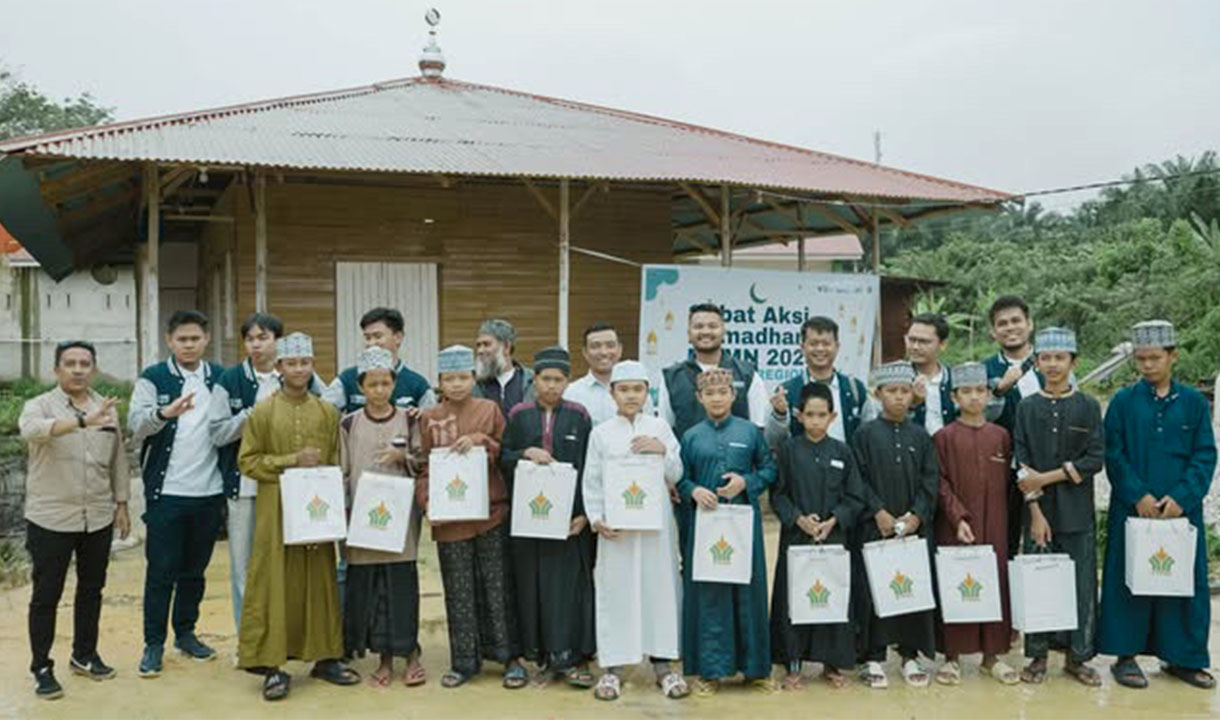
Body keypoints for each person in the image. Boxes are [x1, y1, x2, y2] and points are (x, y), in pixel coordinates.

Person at [236, 332, 359, 700]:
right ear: (279, 368)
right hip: (276, 509)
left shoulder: (327, 412)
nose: (300, 369)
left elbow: (339, 462)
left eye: (305, 363)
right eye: (292, 363)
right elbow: (248, 462)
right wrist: (290, 461)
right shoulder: (263, 411)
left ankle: (325, 657)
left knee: (319, 577)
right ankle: (273, 665)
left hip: (317, 510)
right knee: (275, 581)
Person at [1099, 320, 1217, 690]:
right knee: (1129, 579)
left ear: (1172, 356)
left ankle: (1183, 658)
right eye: (1141, 359)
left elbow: (1205, 454)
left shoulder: (1195, 403)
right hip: (1133, 509)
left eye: (1155, 358)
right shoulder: (1122, 401)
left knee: (1183, 582)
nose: (1148, 365)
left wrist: (1182, 497)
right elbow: (1113, 453)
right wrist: (1138, 495)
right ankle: (1126, 655)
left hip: (1181, 512)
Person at [19, 341, 131, 700]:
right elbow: (32, 430)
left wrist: (122, 504)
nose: (78, 369)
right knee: (46, 595)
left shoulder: (106, 408)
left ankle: (84, 654)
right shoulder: (39, 406)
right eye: (70, 363)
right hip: (50, 516)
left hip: (96, 516)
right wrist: (82, 421)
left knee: (91, 590)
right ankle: (41, 667)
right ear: (57, 370)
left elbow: (118, 460)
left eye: (85, 363)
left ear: (94, 369)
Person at [417, 345, 526, 689]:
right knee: (458, 590)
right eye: (450, 379)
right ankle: (464, 662)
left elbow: (504, 452)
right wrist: (427, 502)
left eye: (463, 377)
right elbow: (422, 467)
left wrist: (481, 441)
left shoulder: (489, 410)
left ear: (473, 377)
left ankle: (510, 658)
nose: (457, 385)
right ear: (440, 382)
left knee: (498, 587)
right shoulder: (429, 417)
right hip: (450, 521)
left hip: (490, 513)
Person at [583, 360, 689, 702]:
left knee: (660, 590)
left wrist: (661, 451)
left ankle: (664, 666)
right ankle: (612, 669)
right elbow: (593, 480)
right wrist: (597, 517)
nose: (631, 395)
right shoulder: (601, 433)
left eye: (637, 389)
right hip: (619, 532)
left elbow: (676, 473)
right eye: (624, 389)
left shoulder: (660, 428)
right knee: (616, 591)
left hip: (656, 530)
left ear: (647, 393)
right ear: (612, 393)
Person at [128, 310, 226, 677]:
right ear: (169, 341)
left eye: (195, 338)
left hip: (209, 492)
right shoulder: (154, 378)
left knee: (195, 571)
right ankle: (153, 644)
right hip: (167, 493)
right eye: (181, 339)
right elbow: (136, 425)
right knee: (161, 572)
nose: (188, 345)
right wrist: (165, 413)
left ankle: (186, 634)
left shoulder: (219, 377)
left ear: (206, 339)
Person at [1012, 327, 1103, 687]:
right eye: (1045, 358)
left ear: (1072, 362)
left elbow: (1094, 458)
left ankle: (1078, 658)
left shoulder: (1088, 406)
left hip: (1077, 513)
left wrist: (1044, 478)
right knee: (1039, 583)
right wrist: (1035, 510)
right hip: (1038, 515)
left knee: (1081, 585)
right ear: (1036, 363)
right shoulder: (1027, 407)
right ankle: (1037, 656)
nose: (1052, 365)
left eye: (1059, 358)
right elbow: (1021, 461)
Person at [501, 346, 597, 687]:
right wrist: (525, 452)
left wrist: (585, 514)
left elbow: (590, 468)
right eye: (545, 379)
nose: (552, 386)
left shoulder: (580, 416)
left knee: (567, 589)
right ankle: (538, 654)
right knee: (531, 585)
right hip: (529, 521)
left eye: (559, 379)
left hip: (570, 522)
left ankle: (569, 657)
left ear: (568, 381)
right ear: (535, 379)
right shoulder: (518, 414)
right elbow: (503, 458)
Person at [678, 368, 776, 696]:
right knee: (710, 596)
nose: (717, 398)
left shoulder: (750, 432)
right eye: (710, 393)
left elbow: (769, 469)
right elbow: (680, 477)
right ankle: (711, 671)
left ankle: (755, 670)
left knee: (748, 592)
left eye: (723, 393)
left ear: (734, 396)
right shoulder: (690, 436)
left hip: (743, 525)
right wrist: (693, 490)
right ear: (700, 398)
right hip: (705, 526)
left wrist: (746, 482)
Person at [769, 382, 866, 691]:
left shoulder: (842, 451)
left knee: (833, 596)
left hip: (834, 539)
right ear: (798, 415)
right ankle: (793, 663)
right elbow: (778, 495)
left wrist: (833, 521)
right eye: (809, 414)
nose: (814, 421)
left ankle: (832, 663)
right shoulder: (788, 450)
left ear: (832, 416)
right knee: (794, 598)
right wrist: (799, 519)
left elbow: (855, 496)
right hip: (797, 539)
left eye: (821, 415)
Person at [339, 347, 426, 688]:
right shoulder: (348, 424)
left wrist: (402, 455)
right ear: (361, 386)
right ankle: (384, 658)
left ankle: (411, 653)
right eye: (371, 384)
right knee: (372, 590)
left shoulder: (410, 419)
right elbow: (343, 474)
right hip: (362, 523)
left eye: (385, 383)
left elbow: (423, 462)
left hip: (401, 523)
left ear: (394, 383)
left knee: (402, 585)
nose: (379, 390)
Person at [850, 361, 939, 690]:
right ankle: (873, 656)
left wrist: (916, 515)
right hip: (876, 527)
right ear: (878, 394)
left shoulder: (921, 436)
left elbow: (931, 480)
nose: (899, 398)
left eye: (904, 392)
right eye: (892, 392)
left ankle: (909, 654)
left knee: (910, 590)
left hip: (913, 530)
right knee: (874, 590)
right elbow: (856, 479)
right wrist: (878, 512)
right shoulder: (864, 435)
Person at [931, 362, 1017, 686]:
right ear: (954, 397)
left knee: (995, 582)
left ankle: (992, 656)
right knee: (957, 581)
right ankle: (951, 657)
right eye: (966, 391)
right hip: (956, 526)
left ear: (987, 394)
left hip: (995, 522)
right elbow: (939, 482)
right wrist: (958, 517)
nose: (974, 397)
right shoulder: (943, 437)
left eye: (980, 391)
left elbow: (1011, 484)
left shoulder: (1001, 436)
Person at [207, 312, 283, 636]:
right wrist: (253, 414)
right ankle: (248, 638)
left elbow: (325, 412)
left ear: (278, 340)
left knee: (283, 564)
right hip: (243, 486)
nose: (256, 344)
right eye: (250, 338)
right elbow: (217, 433)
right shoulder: (230, 380)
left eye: (263, 337)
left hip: (286, 485)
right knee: (244, 569)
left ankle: (283, 635)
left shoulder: (294, 373)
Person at [981, 295, 1043, 559]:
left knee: (1042, 537)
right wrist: (1000, 389)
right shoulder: (984, 370)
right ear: (993, 332)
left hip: (1046, 467)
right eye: (1002, 323)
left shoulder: (1051, 362)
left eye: (1016, 320)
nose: (1010, 327)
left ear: (1030, 324)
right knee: (1002, 537)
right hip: (1000, 468)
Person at [658, 303, 769, 439]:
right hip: (686, 459)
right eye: (698, 326)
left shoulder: (747, 374)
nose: (705, 331)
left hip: (738, 459)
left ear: (723, 333)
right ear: (689, 334)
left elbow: (759, 427)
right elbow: (664, 430)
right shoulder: (672, 377)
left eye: (712, 326)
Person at [764, 316, 872, 452]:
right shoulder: (787, 391)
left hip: (848, 471)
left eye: (826, 344)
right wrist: (779, 415)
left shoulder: (856, 389)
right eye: (814, 344)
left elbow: (869, 438)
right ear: (802, 347)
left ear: (837, 347)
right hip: (803, 471)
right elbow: (773, 442)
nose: (820, 349)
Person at [324, 307, 435, 415]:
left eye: (378, 336)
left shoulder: (418, 384)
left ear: (398, 337)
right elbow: (324, 411)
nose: (372, 343)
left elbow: (431, 419)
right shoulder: (347, 379)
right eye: (367, 338)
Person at [564, 323, 652, 424]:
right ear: (585, 352)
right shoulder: (571, 394)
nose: (604, 352)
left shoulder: (639, 391)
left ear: (620, 350)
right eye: (595, 346)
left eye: (610, 345)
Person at [905, 313, 956, 436]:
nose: (915, 347)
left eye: (924, 342)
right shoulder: (896, 379)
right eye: (911, 340)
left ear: (942, 344)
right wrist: (912, 403)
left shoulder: (955, 380)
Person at [473, 318, 535, 418]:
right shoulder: (476, 385)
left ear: (506, 347)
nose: (480, 351)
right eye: (478, 345)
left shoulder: (531, 381)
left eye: (486, 344)